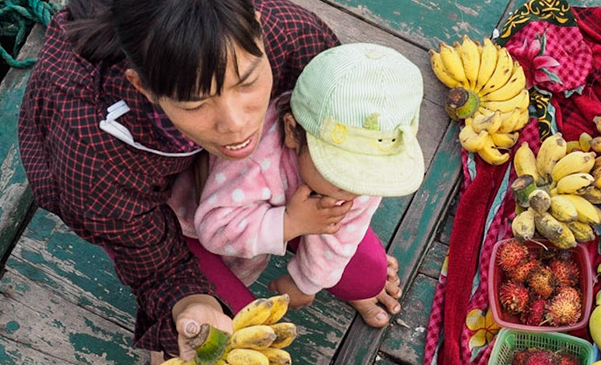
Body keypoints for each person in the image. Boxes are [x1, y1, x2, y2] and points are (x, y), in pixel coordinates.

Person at [17, 0, 399, 357]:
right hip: (153, 201)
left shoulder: (295, 35)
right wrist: (193, 307)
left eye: (248, 83)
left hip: (258, 182)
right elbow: (158, 268)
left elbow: (340, 139)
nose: (236, 123)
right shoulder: (90, 156)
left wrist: (314, 268)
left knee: (365, 273)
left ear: (257, 28)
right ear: (143, 86)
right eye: (197, 104)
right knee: (230, 337)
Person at [169, 43, 423, 331]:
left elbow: (346, 229)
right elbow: (214, 230)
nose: (354, 191)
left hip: (293, 215)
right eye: (340, 172)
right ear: (291, 131)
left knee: (368, 276)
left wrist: (306, 281)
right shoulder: (255, 159)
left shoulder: (364, 174)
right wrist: (289, 223)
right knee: (229, 325)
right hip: (198, 227)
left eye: (367, 176)